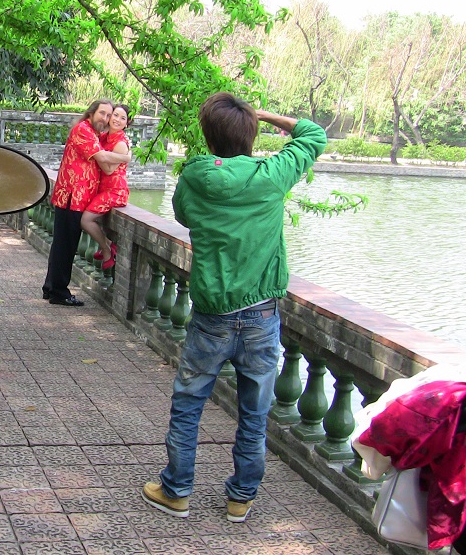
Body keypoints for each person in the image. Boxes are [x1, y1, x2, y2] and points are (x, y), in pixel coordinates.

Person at [141, 92, 327, 522]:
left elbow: (186, 216)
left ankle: (177, 490)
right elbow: (314, 134)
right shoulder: (271, 175)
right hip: (261, 315)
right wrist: (263, 114)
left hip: (211, 316)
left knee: (189, 403)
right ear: (251, 133)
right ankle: (240, 498)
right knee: (254, 412)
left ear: (207, 135)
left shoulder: (192, 178)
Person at [42, 100, 132, 306]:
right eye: (103, 113)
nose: (107, 119)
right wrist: (126, 157)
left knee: (61, 245)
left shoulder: (94, 133)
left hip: (76, 198)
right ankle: (59, 292)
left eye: (109, 115)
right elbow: (101, 156)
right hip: (72, 197)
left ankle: (51, 287)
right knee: (66, 246)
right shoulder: (83, 130)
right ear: (91, 113)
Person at [81, 104, 132, 269]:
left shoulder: (121, 144)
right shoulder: (103, 137)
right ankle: (108, 244)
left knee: (86, 220)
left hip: (115, 190)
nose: (117, 120)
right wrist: (121, 158)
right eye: (115, 115)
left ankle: (107, 249)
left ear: (126, 123)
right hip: (103, 188)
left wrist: (98, 155)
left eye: (122, 118)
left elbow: (109, 170)